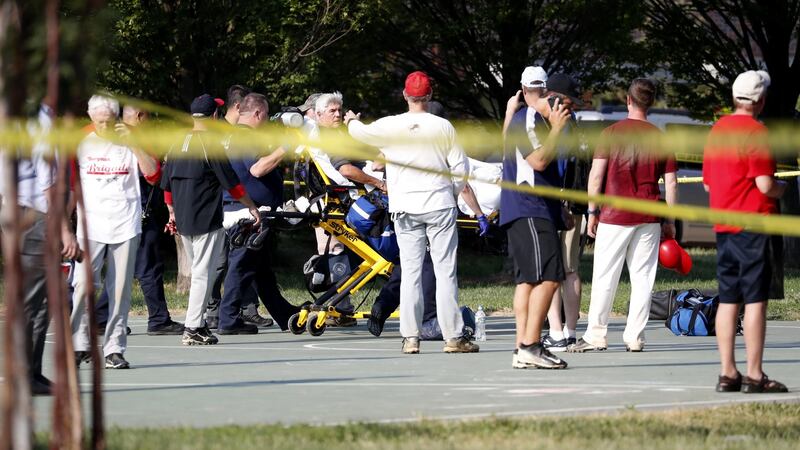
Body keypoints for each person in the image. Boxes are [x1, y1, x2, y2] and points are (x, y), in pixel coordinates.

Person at [346, 71, 479, 354]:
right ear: (429, 96)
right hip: (439, 204)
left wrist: (350, 120)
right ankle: (453, 337)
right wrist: (452, 194)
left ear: (405, 96)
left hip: (405, 206)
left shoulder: (392, 125)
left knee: (411, 273)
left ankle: (410, 337)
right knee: (445, 272)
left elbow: (360, 132)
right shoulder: (443, 127)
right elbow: (460, 167)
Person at [568, 78, 678, 353]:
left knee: (606, 275)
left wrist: (592, 210)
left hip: (614, 215)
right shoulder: (661, 138)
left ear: (628, 100)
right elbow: (672, 182)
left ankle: (596, 336)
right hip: (650, 214)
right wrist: (671, 220)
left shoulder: (611, 133)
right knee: (643, 279)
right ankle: (635, 337)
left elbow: (596, 175)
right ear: (650, 104)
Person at [702, 70, 788, 393]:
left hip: (724, 226)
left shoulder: (717, 130)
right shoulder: (757, 132)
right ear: (761, 101)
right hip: (754, 224)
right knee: (755, 301)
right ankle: (754, 374)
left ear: (734, 98)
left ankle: (728, 372)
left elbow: (709, 181)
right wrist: (783, 187)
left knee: (728, 299)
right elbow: (765, 184)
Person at [161, 94, 260, 345]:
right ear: (214, 116)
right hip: (205, 217)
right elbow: (233, 185)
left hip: (183, 218)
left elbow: (166, 184)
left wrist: (171, 211)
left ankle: (199, 324)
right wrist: (252, 207)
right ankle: (193, 327)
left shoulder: (177, 142)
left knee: (199, 273)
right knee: (203, 274)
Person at [71, 95, 160, 369]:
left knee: (120, 290)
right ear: (90, 118)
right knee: (83, 285)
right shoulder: (81, 140)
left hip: (125, 223)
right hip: (90, 224)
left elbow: (153, 174)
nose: (104, 128)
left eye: (109, 122)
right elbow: (69, 182)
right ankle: (80, 343)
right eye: (99, 123)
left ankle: (114, 349)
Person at [0, 103, 81, 393]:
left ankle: (28, 372)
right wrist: (64, 230)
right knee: (35, 300)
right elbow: (47, 182)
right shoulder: (40, 120)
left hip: (15, 211)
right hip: (34, 215)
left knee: (33, 299)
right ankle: (24, 375)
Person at [500, 72, 576, 369]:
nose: (569, 113)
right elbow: (538, 162)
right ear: (552, 98)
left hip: (535, 207)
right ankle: (531, 345)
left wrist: (560, 209)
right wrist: (557, 129)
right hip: (528, 208)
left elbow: (544, 173)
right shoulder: (530, 119)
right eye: (567, 106)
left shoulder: (537, 122)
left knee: (529, 281)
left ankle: (522, 347)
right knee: (551, 275)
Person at [94, 105, 184, 336]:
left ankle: (101, 316)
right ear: (140, 117)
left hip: (116, 211)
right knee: (149, 267)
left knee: (123, 268)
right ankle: (159, 319)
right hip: (138, 211)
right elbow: (153, 174)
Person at [218, 92, 302, 333]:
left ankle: (284, 314)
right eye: (265, 115)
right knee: (242, 267)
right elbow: (257, 169)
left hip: (243, 210)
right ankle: (228, 319)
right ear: (257, 113)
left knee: (261, 271)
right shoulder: (246, 137)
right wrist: (284, 148)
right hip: (249, 214)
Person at [207, 84, 271, 329]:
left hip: (233, 205)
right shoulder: (237, 136)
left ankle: (268, 310)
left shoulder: (227, 136)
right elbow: (253, 170)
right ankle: (224, 315)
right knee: (234, 264)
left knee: (257, 268)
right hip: (240, 208)